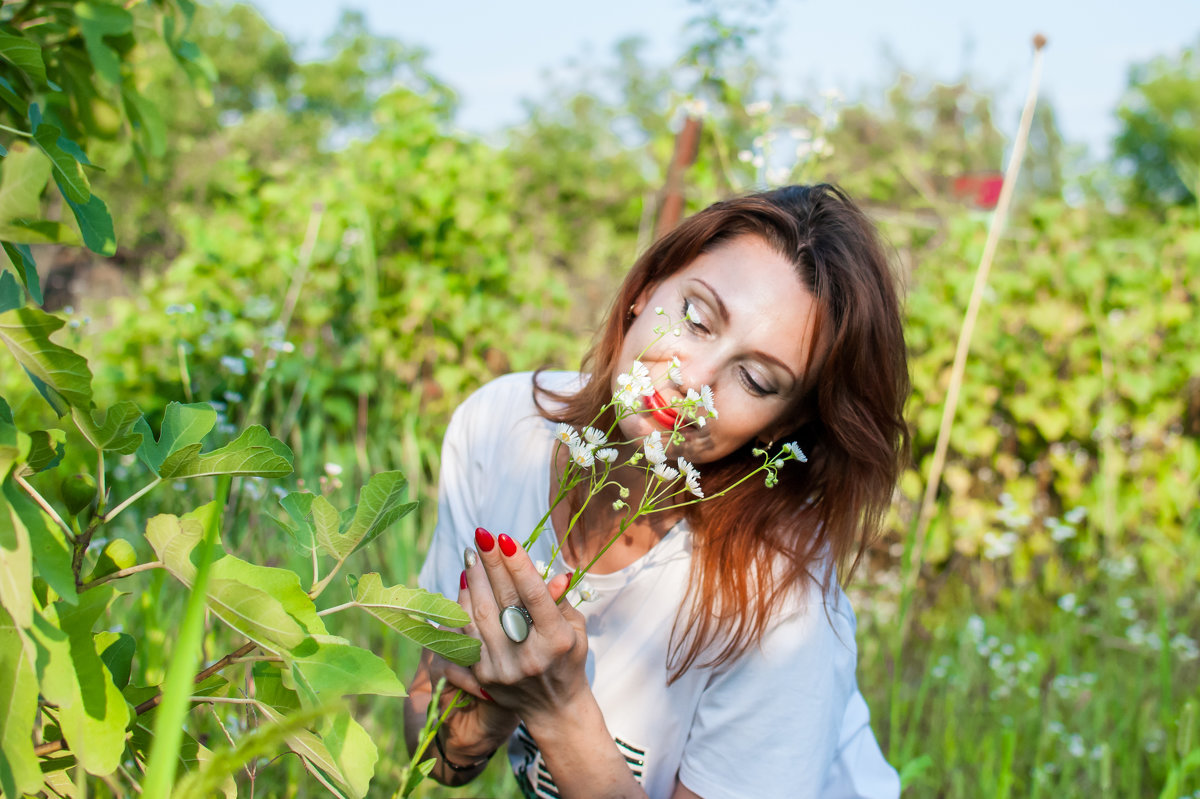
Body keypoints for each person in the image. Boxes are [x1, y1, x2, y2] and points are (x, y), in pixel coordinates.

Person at [404, 184, 910, 799]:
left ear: (782, 426)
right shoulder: (500, 430)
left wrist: (559, 709)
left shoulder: (784, 603)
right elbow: (432, 742)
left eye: (754, 378)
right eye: (696, 318)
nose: (690, 381)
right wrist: (474, 727)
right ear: (647, 287)